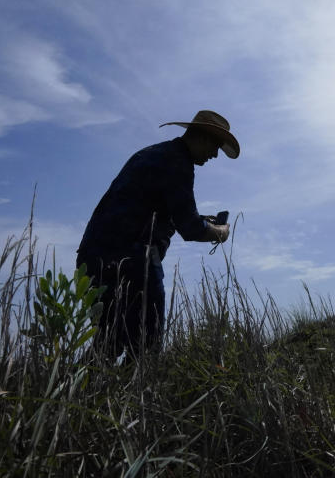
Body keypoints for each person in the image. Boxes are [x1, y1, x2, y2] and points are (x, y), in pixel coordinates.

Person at [76, 110, 238, 359]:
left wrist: (198, 219)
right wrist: (220, 233)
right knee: (145, 345)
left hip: (94, 258)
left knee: (108, 343)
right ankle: (135, 396)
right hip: (131, 260)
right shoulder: (178, 163)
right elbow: (191, 229)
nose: (215, 154)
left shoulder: (154, 153)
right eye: (215, 146)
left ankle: (81, 394)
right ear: (203, 137)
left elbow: (153, 206)